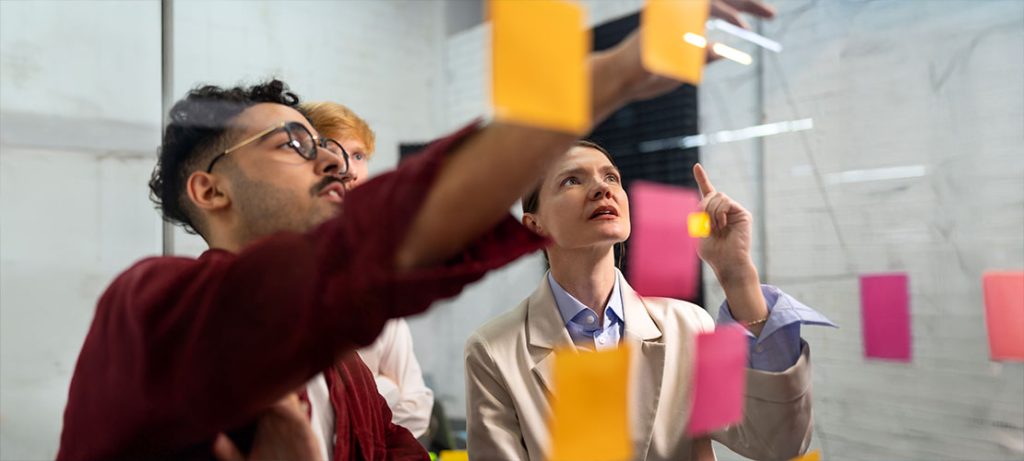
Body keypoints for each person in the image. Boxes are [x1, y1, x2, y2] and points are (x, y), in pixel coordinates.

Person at [56, 25, 698, 460]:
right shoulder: (146, 308)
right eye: (295, 146)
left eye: (335, 151)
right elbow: (374, 242)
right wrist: (608, 76)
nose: (335, 166)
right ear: (210, 191)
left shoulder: (348, 377)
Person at [464, 142, 836, 460]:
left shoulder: (690, 325)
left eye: (611, 177)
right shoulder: (493, 350)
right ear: (534, 227)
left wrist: (736, 275)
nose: (601, 188)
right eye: (572, 180)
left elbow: (779, 443)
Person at [301, 100, 435, 439]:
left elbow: (418, 409)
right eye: (334, 149)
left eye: (359, 155)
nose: (349, 169)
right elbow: (305, 417)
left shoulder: (374, 277)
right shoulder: (283, 267)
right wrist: (386, 392)